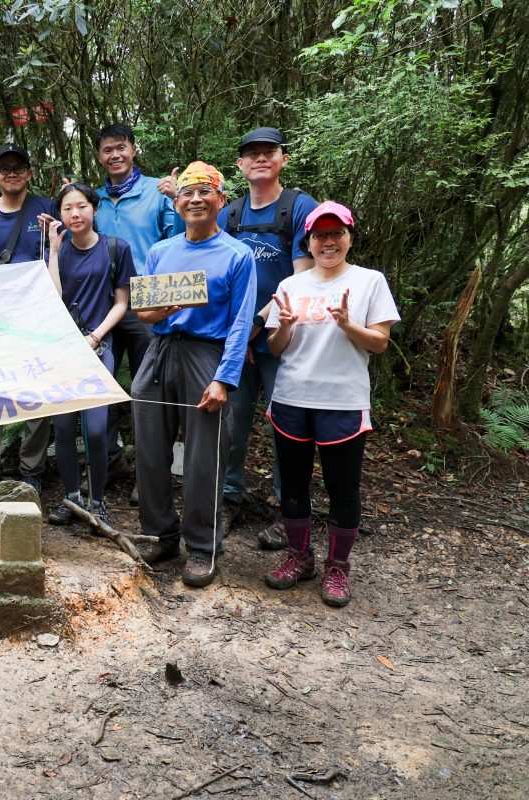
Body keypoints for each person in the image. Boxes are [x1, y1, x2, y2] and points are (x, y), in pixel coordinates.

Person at [263, 202, 398, 607]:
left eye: (336, 233)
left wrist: (347, 324)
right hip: (291, 397)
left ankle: (338, 566)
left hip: (342, 400)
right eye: (320, 235)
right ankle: (299, 556)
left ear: (349, 238)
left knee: (343, 488)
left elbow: (380, 342)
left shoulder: (369, 282)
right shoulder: (291, 285)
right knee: (294, 483)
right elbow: (275, 348)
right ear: (309, 240)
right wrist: (283, 327)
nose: (328, 242)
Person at [132, 162, 256, 588]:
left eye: (206, 191)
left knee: (204, 458)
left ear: (221, 200)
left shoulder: (238, 255)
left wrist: (225, 379)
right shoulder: (160, 251)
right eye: (188, 192)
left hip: (207, 353)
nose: (196, 199)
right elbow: (144, 313)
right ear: (177, 201)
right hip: (160, 350)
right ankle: (160, 533)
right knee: (149, 448)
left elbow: (241, 323)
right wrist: (156, 311)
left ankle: (203, 547)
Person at [217, 127, 319, 549]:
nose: (260, 158)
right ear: (240, 164)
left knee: (288, 426)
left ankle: (289, 508)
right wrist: (236, 336)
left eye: (269, 151)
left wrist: (259, 323)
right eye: (251, 153)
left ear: (283, 158)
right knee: (231, 422)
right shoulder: (230, 214)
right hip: (237, 340)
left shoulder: (299, 207)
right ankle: (227, 498)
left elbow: (303, 277)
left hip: (284, 336)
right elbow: (218, 276)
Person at [92, 123, 185, 482]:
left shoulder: (157, 192)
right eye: (107, 150)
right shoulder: (95, 200)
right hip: (104, 303)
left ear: (133, 149)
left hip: (149, 300)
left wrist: (177, 200)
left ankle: (151, 473)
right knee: (103, 385)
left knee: (150, 387)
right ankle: (110, 461)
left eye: (121, 147)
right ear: (99, 157)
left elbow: (179, 242)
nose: (115, 155)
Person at [41, 184, 132, 528]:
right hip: (63, 351)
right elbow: (52, 298)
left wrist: (95, 337)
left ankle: (97, 500)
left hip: (99, 348)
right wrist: (52, 249)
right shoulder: (58, 251)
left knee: (95, 430)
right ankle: (70, 497)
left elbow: (121, 302)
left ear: (94, 209)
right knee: (63, 429)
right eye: (67, 209)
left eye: (81, 206)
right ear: (59, 215)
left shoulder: (115, 248)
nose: (74, 214)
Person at [0, 145, 56, 493]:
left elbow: (60, 252)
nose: (12, 173)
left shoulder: (45, 207)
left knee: (36, 391)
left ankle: (32, 469)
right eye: (5, 169)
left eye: (19, 167)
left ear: (30, 173)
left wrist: (53, 232)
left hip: (37, 315)